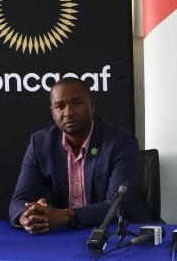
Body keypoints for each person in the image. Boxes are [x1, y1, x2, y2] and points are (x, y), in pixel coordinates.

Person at [9, 77, 147, 234]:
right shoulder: (40, 143)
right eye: (60, 106)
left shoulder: (120, 142)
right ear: (52, 112)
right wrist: (27, 216)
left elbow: (118, 205)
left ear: (92, 105)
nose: (68, 112)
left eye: (76, 103)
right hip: (63, 236)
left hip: (117, 233)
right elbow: (19, 200)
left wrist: (67, 216)